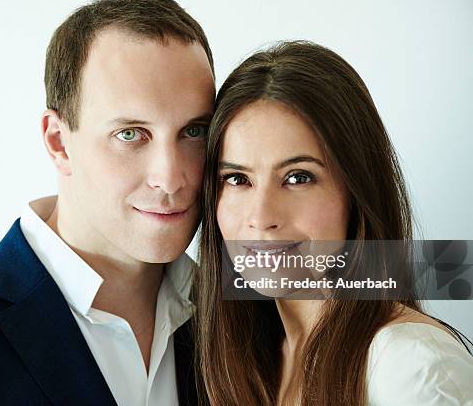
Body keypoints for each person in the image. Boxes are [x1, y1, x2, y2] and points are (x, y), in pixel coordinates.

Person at [0, 0, 215, 405]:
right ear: (58, 141)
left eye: (194, 131)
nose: (171, 177)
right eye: (131, 134)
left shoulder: (239, 309)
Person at [194, 40, 473, 405]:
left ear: (357, 189)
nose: (261, 218)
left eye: (298, 177)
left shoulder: (411, 364)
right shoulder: (254, 362)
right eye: (237, 179)